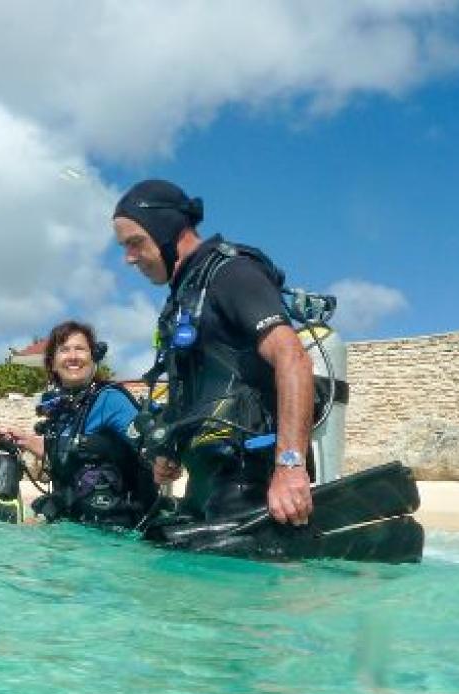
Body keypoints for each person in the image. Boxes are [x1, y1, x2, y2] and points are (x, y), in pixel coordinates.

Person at [112, 179, 315, 527]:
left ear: (166, 230)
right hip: (206, 480)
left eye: (135, 243)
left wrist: (290, 466)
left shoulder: (231, 273)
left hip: (249, 476)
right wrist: (169, 448)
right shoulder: (185, 296)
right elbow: (197, 386)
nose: (128, 258)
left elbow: (293, 357)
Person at [6, 321, 157, 528]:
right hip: (73, 521)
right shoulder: (62, 408)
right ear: (52, 363)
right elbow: (68, 453)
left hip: (116, 530)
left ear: (93, 357)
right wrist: (24, 440)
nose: (73, 356)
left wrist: (164, 459)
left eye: (80, 349)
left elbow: (151, 445)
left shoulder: (109, 400)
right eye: (64, 350)